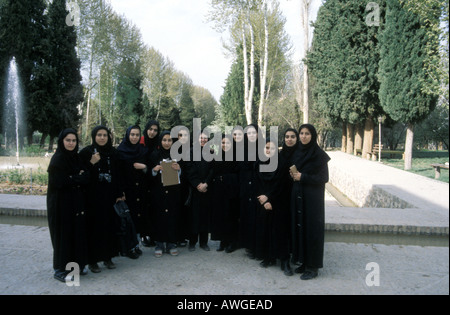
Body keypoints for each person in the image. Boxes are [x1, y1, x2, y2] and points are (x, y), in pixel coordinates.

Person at [47, 128, 90, 282]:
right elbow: (59, 182)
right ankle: (59, 269)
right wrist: (76, 178)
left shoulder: (76, 158)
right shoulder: (58, 159)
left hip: (76, 202)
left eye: (73, 140)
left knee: (76, 233)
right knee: (63, 236)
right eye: (68, 140)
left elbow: (86, 177)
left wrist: (73, 178)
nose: (71, 143)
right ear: (62, 141)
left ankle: (75, 266)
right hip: (61, 204)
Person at [289, 124, 330, 280]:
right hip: (299, 196)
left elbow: (324, 178)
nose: (303, 136)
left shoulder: (319, 155)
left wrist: (302, 177)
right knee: (301, 228)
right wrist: (294, 175)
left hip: (313, 199)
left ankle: (313, 267)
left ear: (313, 136)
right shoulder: (298, 152)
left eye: (307, 134)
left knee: (312, 230)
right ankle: (304, 262)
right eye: (301, 133)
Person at [79, 126, 122, 273]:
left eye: (105, 135)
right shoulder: (86, 152)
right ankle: (92, 260)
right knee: (94, 229)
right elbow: (81, 173)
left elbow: (117, 174)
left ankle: (108, 257)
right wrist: (91, 162)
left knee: (109, 228)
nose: (102, 138)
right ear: (94, 136)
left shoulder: (113, 153)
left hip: (109, 197)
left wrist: (119, 193)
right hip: (92, 198)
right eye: (99, 135)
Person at [255, 138, 293, 276]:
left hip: (279, 202)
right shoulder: (259, 163)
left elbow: (282, 185)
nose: (268, 150)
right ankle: (269, 257)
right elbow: (257, 183)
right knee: (265, 229)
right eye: (266, 148)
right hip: (263, 202)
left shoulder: (282, 163)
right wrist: (264, 201)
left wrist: (270, 198)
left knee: (280, 231)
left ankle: (284, 261)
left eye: (271, 148)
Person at [117, 125, 150, 258]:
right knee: (127, 219)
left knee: (138, 218)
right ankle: (127, 248)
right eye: (132, 134)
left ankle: (135, 245)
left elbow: (149, 169)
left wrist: (144, 167)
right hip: (127, 190)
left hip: (140, 189)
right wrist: (120, 192)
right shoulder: (120, 151)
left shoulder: (143, 150)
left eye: (137, 135)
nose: (134, 137)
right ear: (127, 135)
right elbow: (117, 173)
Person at [149, 131, 182, 257]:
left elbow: (182, 174)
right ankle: (159, 243)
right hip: (159, 191)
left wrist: (179, 169)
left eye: (169, 140)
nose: (167, 143)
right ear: (160, 141)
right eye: (164, 140)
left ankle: (171, 243)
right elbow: (149, 175)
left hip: (173, 191)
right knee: (159, 216)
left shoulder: (177, 155)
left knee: (172, 216)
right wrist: (154, 170)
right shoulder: (154, 155)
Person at [210, 134, 240, 253]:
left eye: (227, 143)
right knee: (221, 215)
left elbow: (238, 173)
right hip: (219, 190)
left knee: (231, 215)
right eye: (222, 142)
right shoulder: (217, 156)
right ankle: (223, 240)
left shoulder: (236, 156)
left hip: (232, 190)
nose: (225, 145)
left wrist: (226, 178)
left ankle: (232, 241)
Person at [186, 131, 214, 252]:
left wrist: (206, 183)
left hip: (207, 189)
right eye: (201, 138)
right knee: (193, 216)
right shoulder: (190, 152)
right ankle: (192, 242)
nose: (203, 140)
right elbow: (189, 169)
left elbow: (213, 170)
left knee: (205, 216)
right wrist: (197, 184)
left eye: (205, 138)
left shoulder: (212, 152)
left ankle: (203, 242)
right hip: (194, 189)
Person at [238, 124, 261, 259]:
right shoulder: (242, 149)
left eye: (254, 133)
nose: (251, 135)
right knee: (246, 215)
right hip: (245, 185)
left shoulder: (263, 148)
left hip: (258, 185)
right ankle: (248, 245)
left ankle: (257, 246)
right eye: (249, 133)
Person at [141, 120, 160, 247]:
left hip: (155, 178)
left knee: (154, 207)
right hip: (141, 179)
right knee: (143, 208)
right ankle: (143, 235)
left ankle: (153, 235)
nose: (152, 132)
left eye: (155, 130)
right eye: (150, 129)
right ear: (146, 129)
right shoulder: (140, 142)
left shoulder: (159, 143)